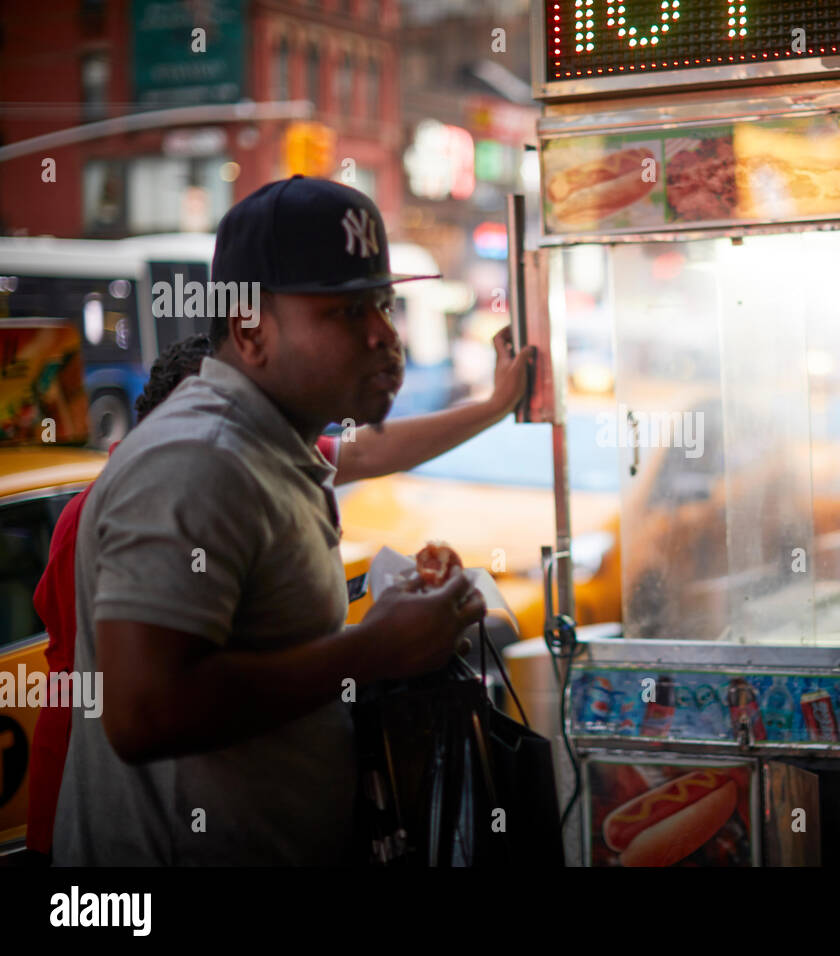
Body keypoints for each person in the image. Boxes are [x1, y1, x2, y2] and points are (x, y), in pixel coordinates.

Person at [51, 176, 527, 865]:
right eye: (344, 312)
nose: (383, 337)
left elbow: (373, 450)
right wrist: (376, 649)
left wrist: (493, 405)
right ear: (249, 328)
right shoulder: (198, 459)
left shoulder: (274, 441)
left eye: (383, 304)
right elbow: (143, 711)